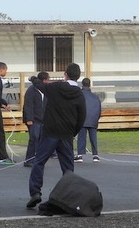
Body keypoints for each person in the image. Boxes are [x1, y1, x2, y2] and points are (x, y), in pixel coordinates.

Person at [27, 63, 86, 209]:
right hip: (66, 134)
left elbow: (42, 86)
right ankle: (68, 196)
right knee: (68, 168)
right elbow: (82, 116)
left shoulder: (56, 87)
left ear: (65, 74)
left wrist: (33, 79)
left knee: (39, 162)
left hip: (50, 132)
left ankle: (35, 192)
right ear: (78, 76)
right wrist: (73, 132)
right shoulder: (79, 94)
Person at [22, 71, 50, 167]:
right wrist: (29, 119)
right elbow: (28, 105)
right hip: (33, 119)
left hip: (43, 119)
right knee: (34, 138)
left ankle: (38, 159)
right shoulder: (31, 90)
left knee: (42, 139)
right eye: (47, 80)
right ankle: (29, 159)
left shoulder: (46, 91)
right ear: (43, 80)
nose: (48, 82)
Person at [75, 77, 102, 163]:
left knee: (81, 137)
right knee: (93, 137)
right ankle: (95, 155)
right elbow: (99, 109)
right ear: (89, 85)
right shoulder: (95, 97)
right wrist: (97, 118)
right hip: (93, 118)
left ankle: (80, 155)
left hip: (82, 119)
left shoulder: (79, 95)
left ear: (82, 84)